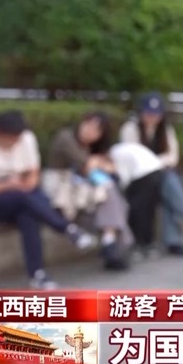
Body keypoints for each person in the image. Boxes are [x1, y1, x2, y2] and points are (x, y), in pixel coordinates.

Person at [0, 110, 96, 289]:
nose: (14, 144)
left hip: (22, 191)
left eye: (17, 139)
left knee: (28, 214)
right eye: (10, 140)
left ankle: (38, 274)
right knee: (25, 200)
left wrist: (29, 183)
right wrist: (8, 185)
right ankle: (68, 229)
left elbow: (33, 170)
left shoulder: (27, 139)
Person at [119, 93, 183, 255]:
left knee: (168, 181)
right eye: (148, 113)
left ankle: (175, 238)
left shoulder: (165, 130)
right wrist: (158, 162)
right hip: (138, 180)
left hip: (159, 175)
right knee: (168, 181)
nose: (152, 118)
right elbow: (134, 158)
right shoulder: (130, 130)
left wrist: (154, 162)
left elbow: (173, 157)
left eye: (156, 114)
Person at [46, 111, 133, 271]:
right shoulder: (66, 138)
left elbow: (110, 168)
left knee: (110, 194)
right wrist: (97, 163)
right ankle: (114, 244)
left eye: (96, 130)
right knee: (111, 193)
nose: (89, 131)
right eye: (88, 125)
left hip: (81, 189)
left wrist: (98, 163)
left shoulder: (92, 148)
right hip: (61, 188)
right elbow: (85, 165)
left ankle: (111, 243)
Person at [107, 141, 183, 258]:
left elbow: (124, 178)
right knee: (169, 190)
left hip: (145, 174)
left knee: (141, 207)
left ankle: (143, 244)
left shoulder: (116, 154)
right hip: (156, 168)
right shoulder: (125, 146)